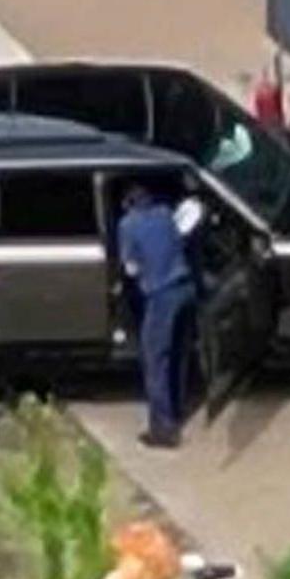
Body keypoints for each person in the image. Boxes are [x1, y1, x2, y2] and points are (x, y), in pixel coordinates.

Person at [116, 177, 197, 447]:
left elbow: (131, 269)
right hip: (186, 289)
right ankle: (177, 408)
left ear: (128, 204)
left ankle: (163, 429)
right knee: (178, 355)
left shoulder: (127, 225)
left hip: (161, 296)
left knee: (155, 361)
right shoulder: (165, 214)